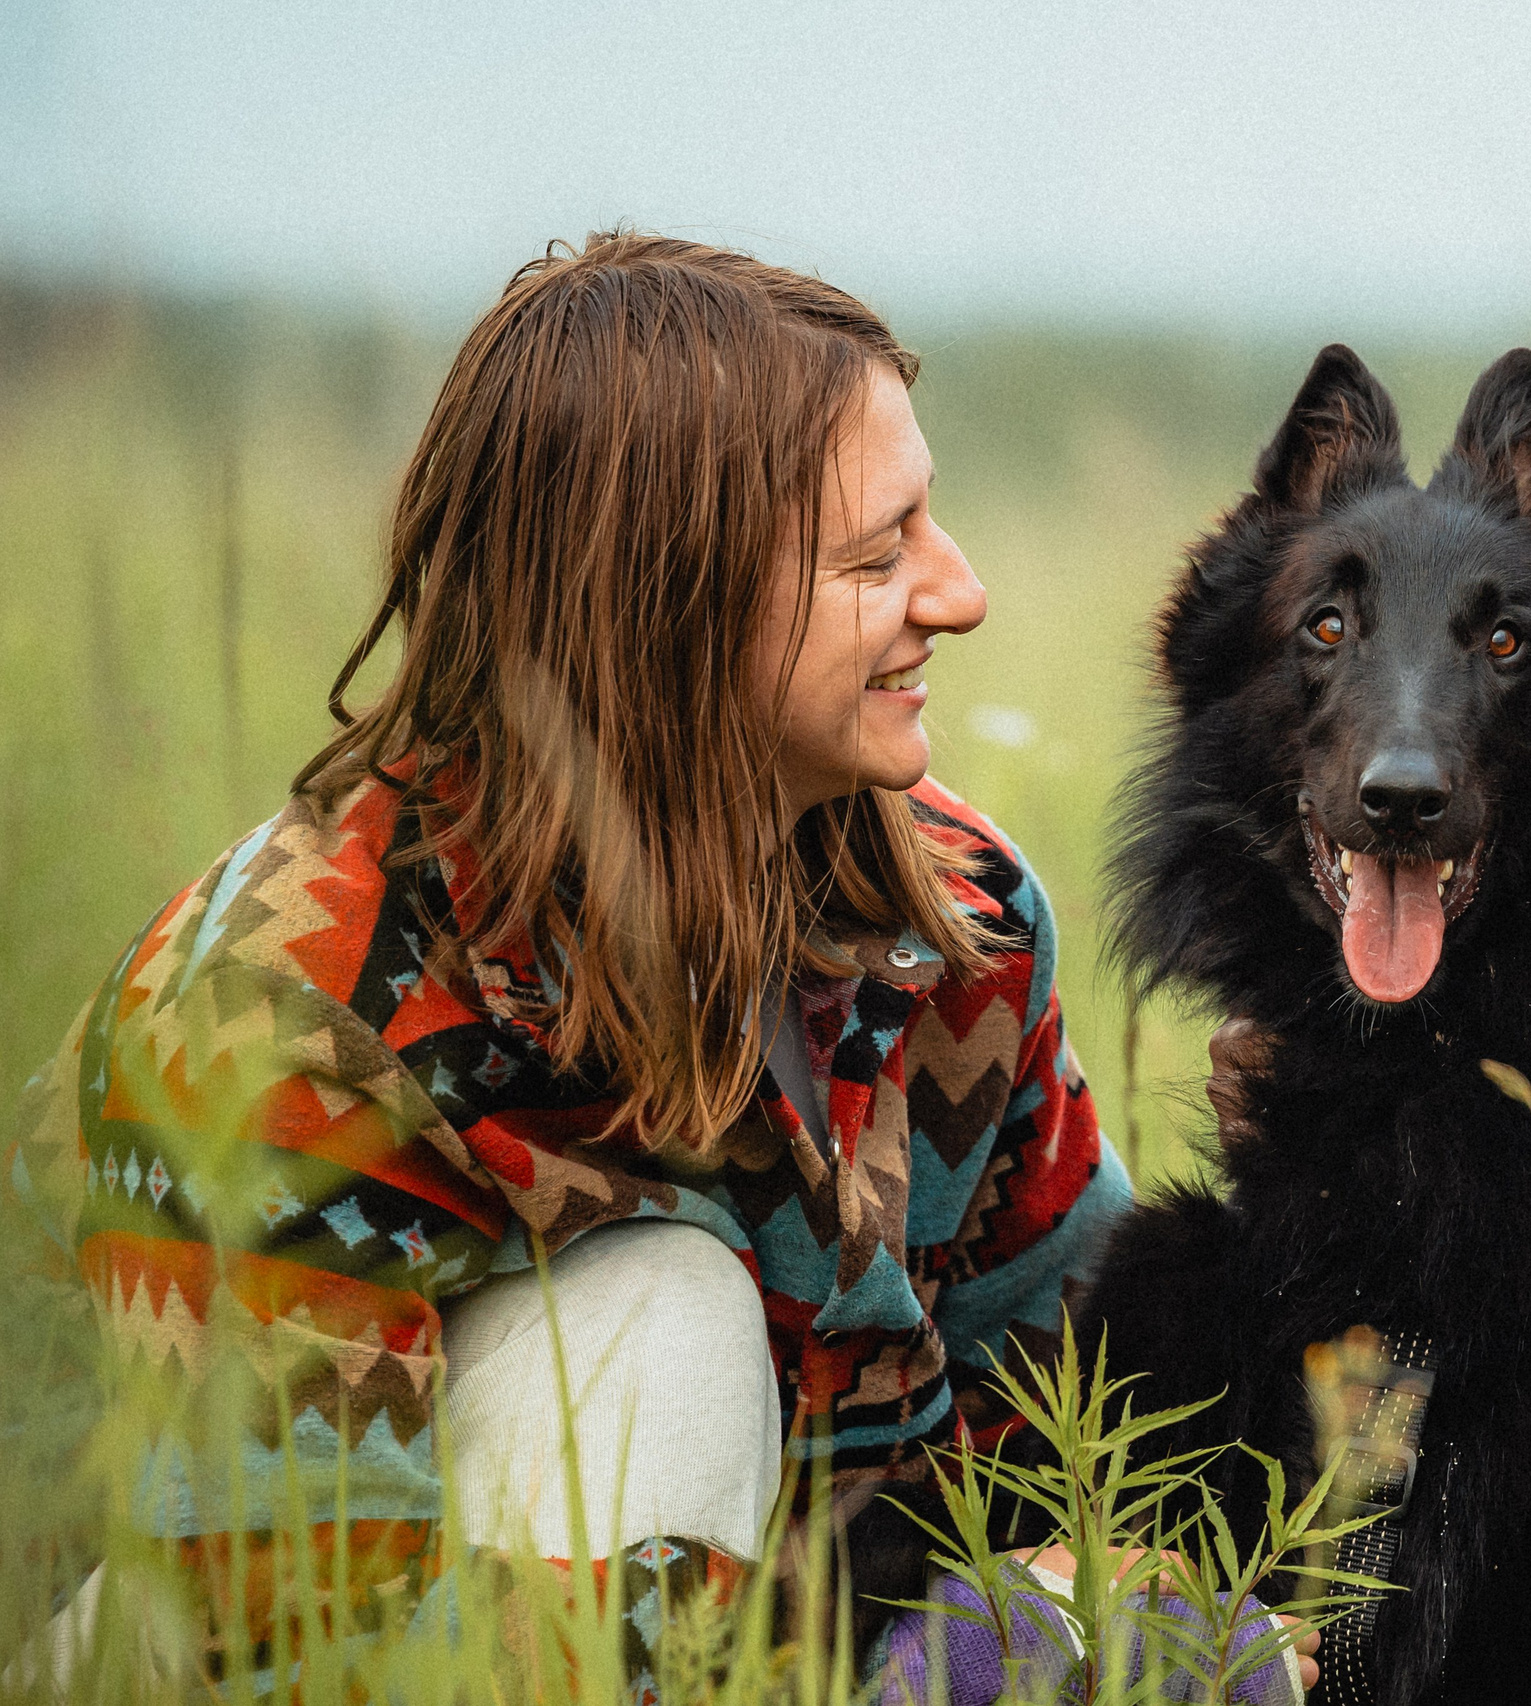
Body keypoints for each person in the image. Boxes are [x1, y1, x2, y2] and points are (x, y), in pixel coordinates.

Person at [9, 233, 1187, 1691]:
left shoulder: (957, 912)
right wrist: (881, 1656)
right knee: (665, 1313)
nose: (959, 593)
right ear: (670, 608)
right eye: (878, 557)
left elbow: (1092, 1381)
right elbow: (271, 1650)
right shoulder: (294, 1023)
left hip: (684, 1632)